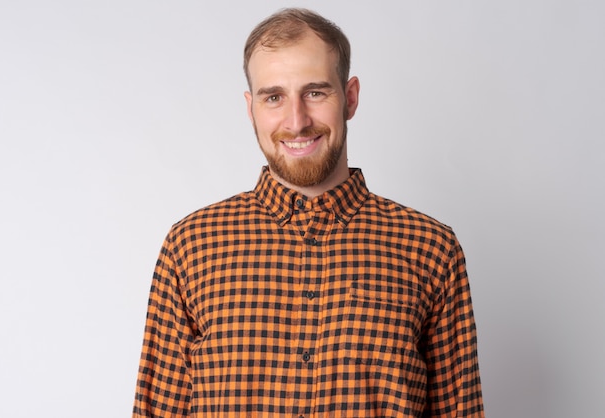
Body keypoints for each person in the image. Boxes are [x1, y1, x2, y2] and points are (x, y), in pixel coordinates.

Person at [133, 7, 484, 417]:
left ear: (349, 97)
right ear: (251, 108)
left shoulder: (431, 249)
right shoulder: (190, 246)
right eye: (274, 97)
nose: (296, 121)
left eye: (315, 92)